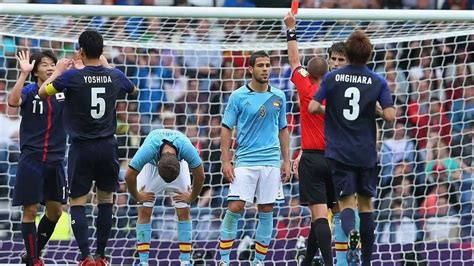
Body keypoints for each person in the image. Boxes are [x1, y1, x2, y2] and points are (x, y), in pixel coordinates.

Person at [39, 30, 137, 266]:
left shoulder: (71, 78)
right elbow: (133, 91)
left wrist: (61, 70)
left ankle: (86, 257)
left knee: (78, 203)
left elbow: (43, 92)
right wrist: (108, 67)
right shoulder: (115, 75)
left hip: (81, 148)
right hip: (108, 147)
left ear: (80, 51)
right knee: (105, 199)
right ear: (101, 51)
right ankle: (102, 255)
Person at [309, 30, 395, 265]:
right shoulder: (378, 81)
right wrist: (375, 109)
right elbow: (390, 116)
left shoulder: (332, 79)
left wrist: (333, 112)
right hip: (366, 152)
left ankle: (351, 234)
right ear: (370, 55)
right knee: (366, 205)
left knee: (346, 203)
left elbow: (313, 107)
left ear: (347, 53)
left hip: (339, 152)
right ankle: (366, 261)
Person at [218, 51, 290, 266]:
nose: (265, 69)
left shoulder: (279, 96)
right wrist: (225, 160)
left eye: (268, 65)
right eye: (260, 65)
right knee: (236, 207)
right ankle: (223, 260)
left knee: (267, 210)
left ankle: (258, 261)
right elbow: (226, 128)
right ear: (250, 69)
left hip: (271, 162)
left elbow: (283, 129)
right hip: (245, 161)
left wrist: (286, 160)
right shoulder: (238, 96)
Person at [7, 50, 67, 266]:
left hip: (56, 159)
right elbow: (12, 102)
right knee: (30, 210)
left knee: (55, 212)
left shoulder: (62, 90)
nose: (50, 67)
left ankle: (33, 253)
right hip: (32, 159)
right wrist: (23, 74)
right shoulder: (30, 90)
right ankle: (34, 259)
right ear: (35, 69)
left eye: (52, 64)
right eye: (44, 64)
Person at [284, 12, 334, 266]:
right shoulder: (336, 89)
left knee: (319, 215)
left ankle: (329, 263)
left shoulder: (305, 86)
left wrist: (291, 29)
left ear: (309, 73)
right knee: (325, 214)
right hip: (337, 158)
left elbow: (294, 59)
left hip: (312, 157)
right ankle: (308, 262)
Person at [124, 129, 205, 266]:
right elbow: (128, 176)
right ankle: (143, 262)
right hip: (151, 168)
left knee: (184, 211)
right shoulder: (148, 149)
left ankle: (185, 261)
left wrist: (191, 197)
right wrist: (137, 196)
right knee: (144, 210)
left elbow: (201, 176)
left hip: (176, 170)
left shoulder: (187, 148)